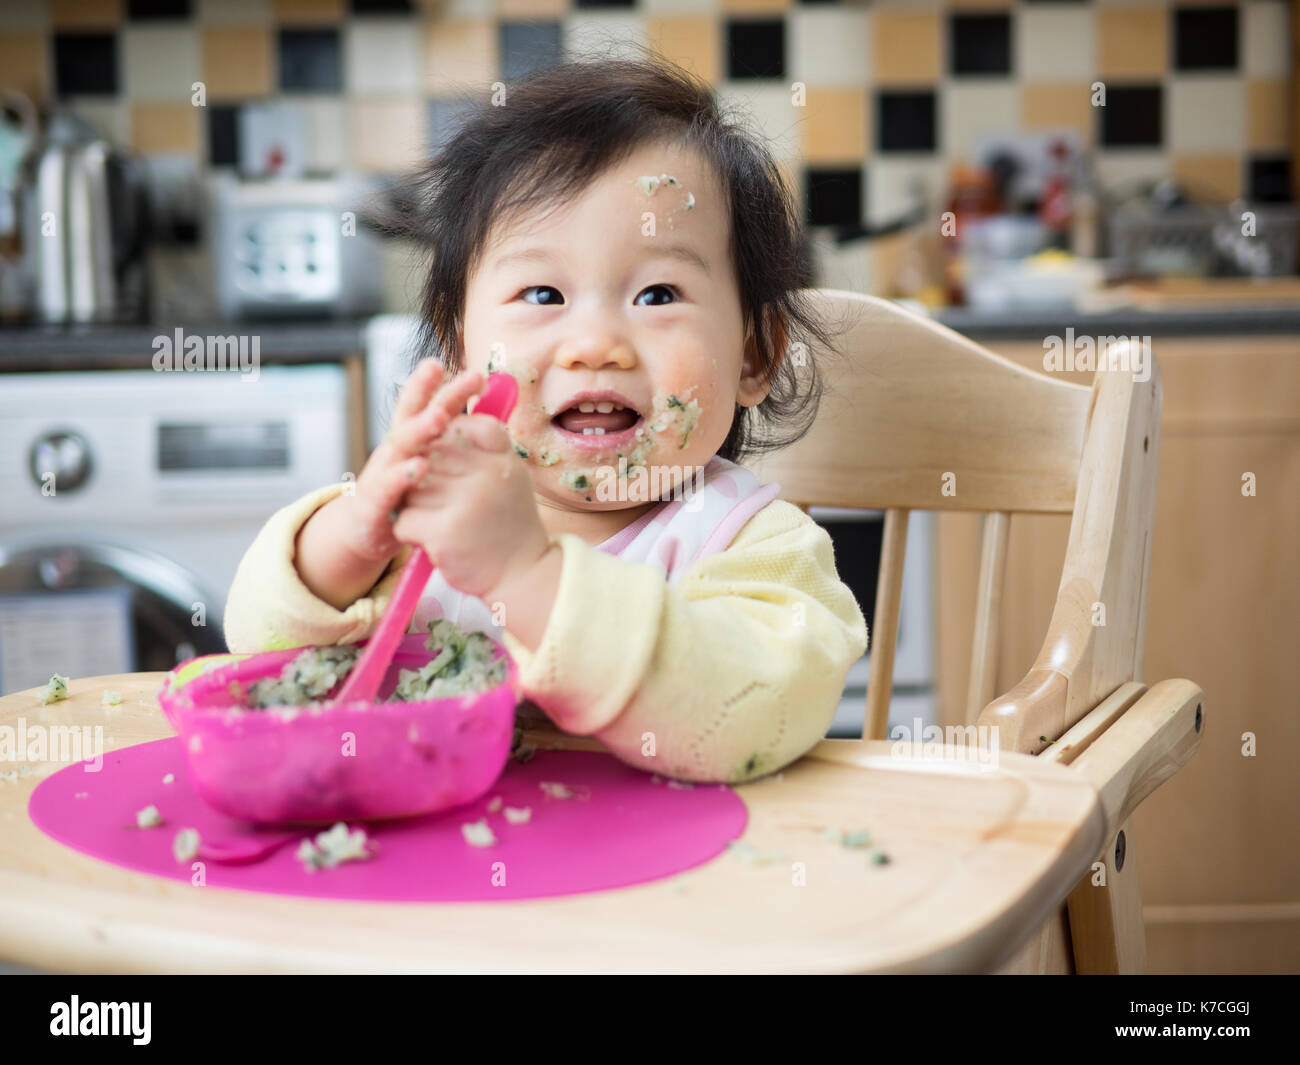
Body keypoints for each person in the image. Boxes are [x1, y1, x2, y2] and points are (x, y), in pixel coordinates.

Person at [223, 52, 868, 784]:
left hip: (670, 885)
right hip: (443, 879)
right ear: (462, 342)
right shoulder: (426, 524)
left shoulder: (752, 546)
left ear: (753, 356)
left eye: (658, 295)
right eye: (541, 294)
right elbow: (257, 643)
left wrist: (526, 574)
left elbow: (750, 717)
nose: (595, 344)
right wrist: (349, 540)